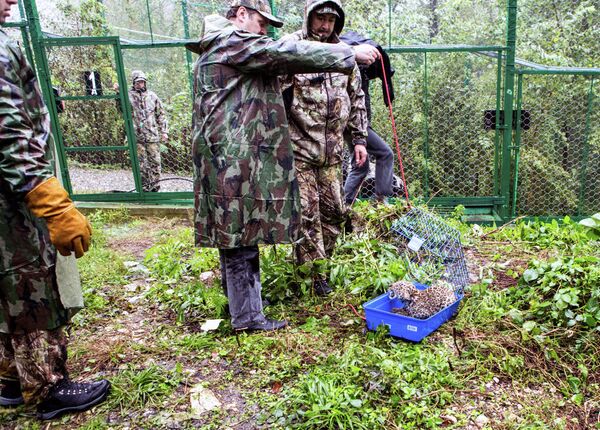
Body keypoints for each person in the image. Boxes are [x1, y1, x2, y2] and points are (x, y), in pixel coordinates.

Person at [186, 0, 371, 331]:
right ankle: (248, 317)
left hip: (230, 152)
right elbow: (283, 52)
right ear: (241, 14)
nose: (264, 30)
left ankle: (245, 305)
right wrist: (348, 54)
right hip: (230, 155)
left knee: (236, 233)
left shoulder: (227, 44)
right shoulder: (231, 41)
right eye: (260, 22)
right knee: (238, 233)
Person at [0, 0, 110, 419]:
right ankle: (45, 387)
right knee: (28, 283)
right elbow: (8, 131)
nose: (12, 1)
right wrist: (52, 202)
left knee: (4, 284)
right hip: (13, 195)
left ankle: (10, 378)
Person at [280, 0, 378, 296]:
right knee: (307, 215)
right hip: (299, 150)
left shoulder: (345, 56)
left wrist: (359, 139)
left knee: (335, 212)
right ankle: (313, 278)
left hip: (332, 152)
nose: (325, 25)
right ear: (308, 18)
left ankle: (326, 266)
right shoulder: (293, 47)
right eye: (319, 18)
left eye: (331, 20)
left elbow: (356, 97)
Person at [341, 31, 396, 205]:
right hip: (354, 124)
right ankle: (380, 200)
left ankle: (345, 204)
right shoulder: (350, 70)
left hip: (353, 125)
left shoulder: (357, 72)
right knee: (385, 154)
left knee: (361, 167)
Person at [114, 71, 168, 192]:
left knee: (155, 163)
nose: (141, 84)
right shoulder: (128, 95)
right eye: (138, 82)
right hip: (136, 136)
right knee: (141, 165)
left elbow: (161, 114)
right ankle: (143, 189)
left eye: (142, 81)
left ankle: (155, 188)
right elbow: (121, 110)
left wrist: (164, 132)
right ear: (133, 83)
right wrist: (118, 94)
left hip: (152, 136)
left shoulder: (152, 96)